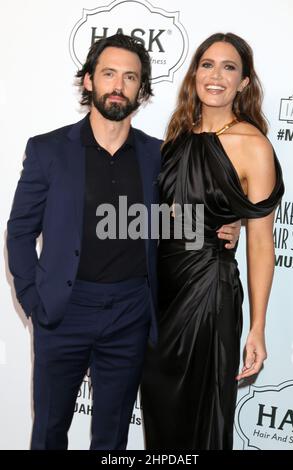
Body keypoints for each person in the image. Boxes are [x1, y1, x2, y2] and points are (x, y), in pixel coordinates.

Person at [6, 33, 240, 450]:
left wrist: (225, 224)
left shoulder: (161, 156)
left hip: (130, 316)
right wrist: (33, 301)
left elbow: (176, 221)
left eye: (130, 77)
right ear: (88, 82)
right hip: (64, 312)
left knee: (112, 437)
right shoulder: (48, 150)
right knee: (48, 431)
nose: (118, 84)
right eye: (109, 73)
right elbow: (20, 231)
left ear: (142, 90)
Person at [141, 32, 284, 450]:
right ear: (194, 74)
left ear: (243, 83)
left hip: (209, 293)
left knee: (201, 417)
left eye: (229, 67)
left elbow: (260, 243)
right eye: (207, 64)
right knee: (161, 417)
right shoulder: (175, 138)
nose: (216, 75)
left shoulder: (253, 145)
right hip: (160, 296)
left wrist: (257, 328)